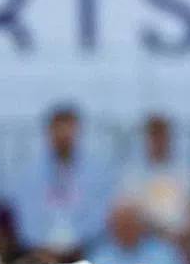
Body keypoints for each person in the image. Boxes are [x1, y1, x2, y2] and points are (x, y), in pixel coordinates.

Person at [11, 105, 116, 255]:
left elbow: (100, 216)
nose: (63, 137)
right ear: (49, 132)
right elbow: (25, 217)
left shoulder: (97, 170)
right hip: (40, 251)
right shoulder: (29, 171)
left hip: (85, 249)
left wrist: (78, 244)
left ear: (76, 131)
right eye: (58, 131)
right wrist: (41, 246)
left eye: (67, 131)